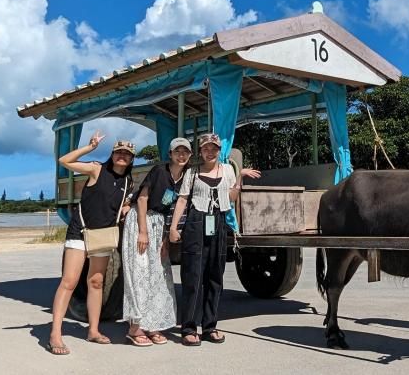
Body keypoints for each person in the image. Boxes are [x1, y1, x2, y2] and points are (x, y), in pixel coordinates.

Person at [46, 132, 135, 356]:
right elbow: (64, 161)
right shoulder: (96, 169)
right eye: (119, 152)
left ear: (132, 159)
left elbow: (122, 206)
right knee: (69, 281)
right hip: (80, 232)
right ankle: (55, 333)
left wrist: (127, 209)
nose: (122, 156)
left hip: (103, 235)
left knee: (96, 282)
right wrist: (89, 148)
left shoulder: (128, 181)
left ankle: (93, 330)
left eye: (127, 154)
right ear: (112, 155)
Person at [168, 133, 261, 346]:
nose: (210, 152)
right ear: (200, 151)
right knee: (193, 276)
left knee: (215, 275)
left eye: (214, 148)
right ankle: (188, 328)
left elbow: (231, 197)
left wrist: (239, 178)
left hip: (218, 223)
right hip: (195, 222)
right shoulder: (192, 172)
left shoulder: (227, 170)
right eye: (206, 149)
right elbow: (182, 200)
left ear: (219, 151)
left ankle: (209, 325)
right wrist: (174, 227)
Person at [121, 137, 192, 347]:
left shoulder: (183, 179)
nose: (181, 155)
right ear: (170, 154)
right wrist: (142, 231)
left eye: (185, 152)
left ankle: (153, 323)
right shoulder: (159, 171)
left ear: (189, 156)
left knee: (158, 275)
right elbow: (142, 199)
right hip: (141, 220)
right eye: (177, 151)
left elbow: (169, 209)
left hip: (158, 225)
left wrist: (164, 240)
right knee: (139, 273)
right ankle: (135, 327)